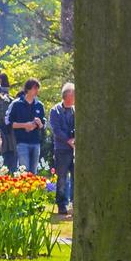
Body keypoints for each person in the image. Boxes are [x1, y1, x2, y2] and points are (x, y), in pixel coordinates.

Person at [49, 83, 77, 216]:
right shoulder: (55, 111)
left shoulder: (75, 110)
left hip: (74, 148)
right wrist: (68, 140)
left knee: (75, 177)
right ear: (68, 96)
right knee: (62, 178)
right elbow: (56, 130)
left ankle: (75, 203)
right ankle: (62, 204)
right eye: (74, 94)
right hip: (62, 149)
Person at [8, 79, 46, 173]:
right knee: (24, 170)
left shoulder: (39, 105)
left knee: (34, 171)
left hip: (36, 142)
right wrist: (25, 125)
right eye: (34, 88)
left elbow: (43, 125)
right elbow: (10, 124)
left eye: (38, 88)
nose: (37, 91)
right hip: (22, 142)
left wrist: (39, 124)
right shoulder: (17, 104)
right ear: (28, 89)